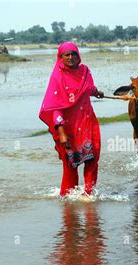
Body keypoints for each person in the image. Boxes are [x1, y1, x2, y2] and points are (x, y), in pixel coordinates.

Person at [39, 42, 104, 196]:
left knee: (92, 159)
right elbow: (55, 107)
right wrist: (61, 132)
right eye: (66, 54)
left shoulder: (85, 71)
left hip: (87, 121)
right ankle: (68, 195)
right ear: (60, 57)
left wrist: (96, 92)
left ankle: (88, 194)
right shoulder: (58, 76)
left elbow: (88, 88)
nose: (70, 57)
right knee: (71, 163)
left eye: (73, 54)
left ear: (78, 55)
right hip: (67, 126)